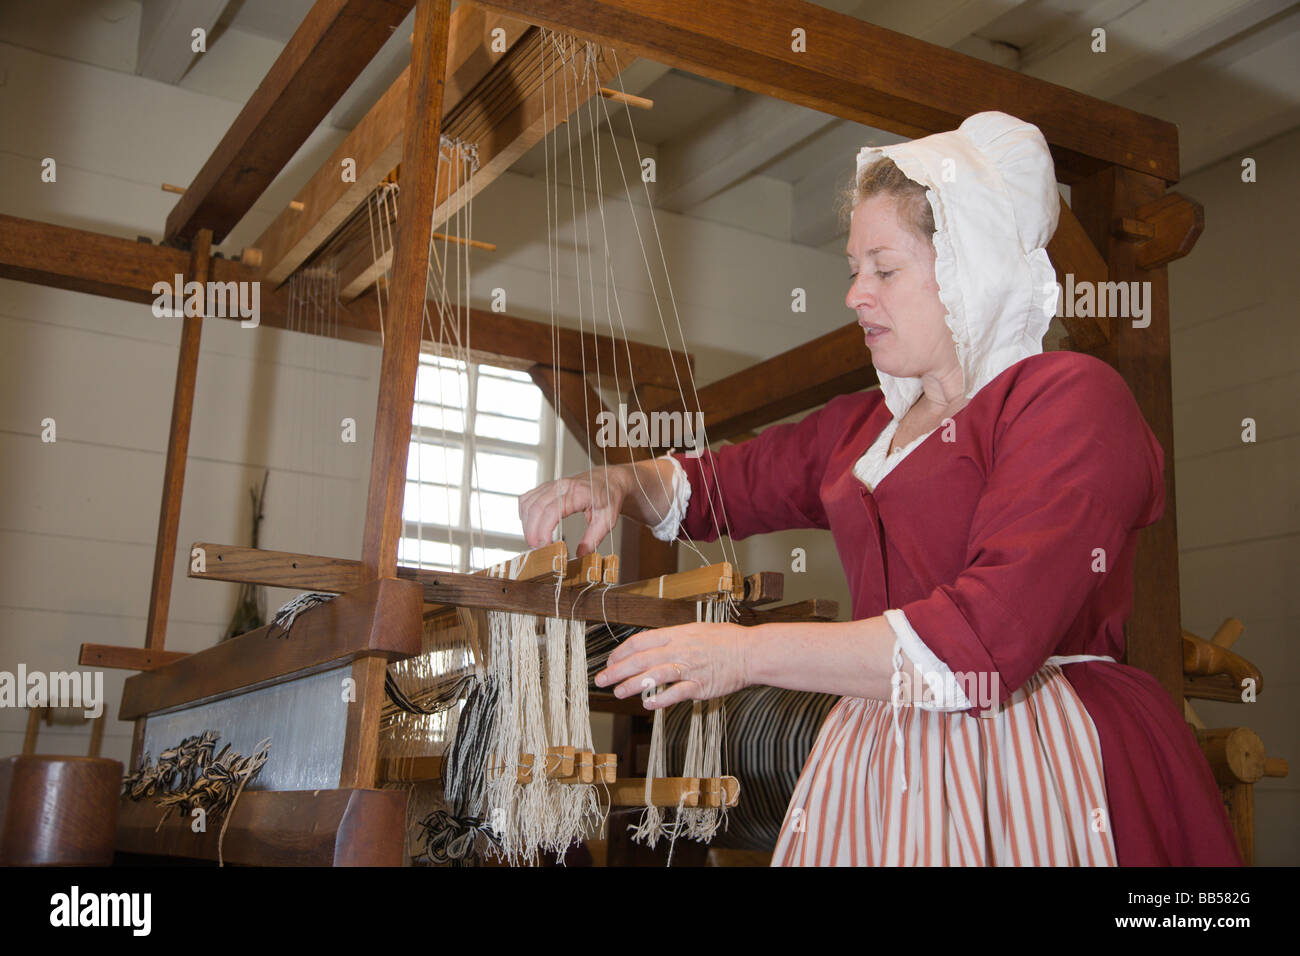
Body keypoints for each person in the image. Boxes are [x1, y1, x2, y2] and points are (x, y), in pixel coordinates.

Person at [517, 111, 1241, 866]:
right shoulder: (867, 425)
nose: (855, 295)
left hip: (1042, 753)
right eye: (853, 269)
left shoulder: (1069, 400)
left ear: (971, 265)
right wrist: (619, 481)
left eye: (884, 269)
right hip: (883, 753)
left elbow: (983, 646)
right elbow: (719, 485)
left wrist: (742, 655)